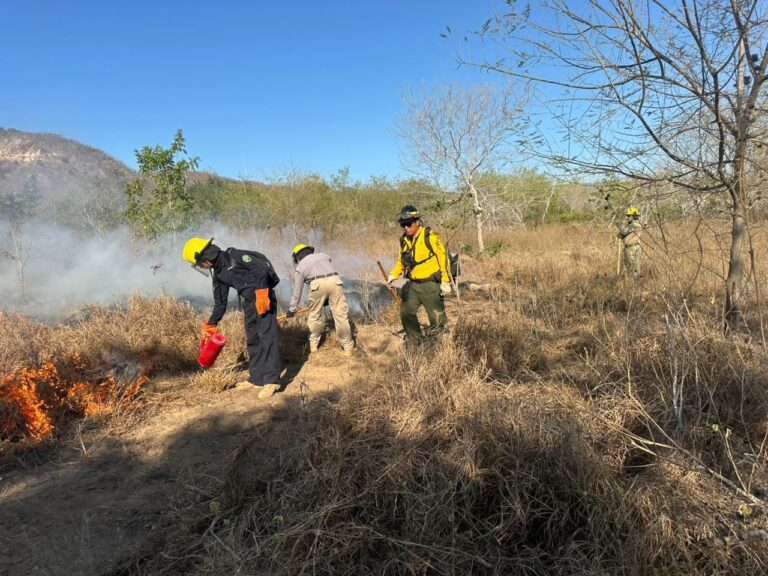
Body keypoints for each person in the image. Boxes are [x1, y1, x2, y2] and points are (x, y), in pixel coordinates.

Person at [182, 237, 282, 399]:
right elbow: (220, 303)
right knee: (253, 338)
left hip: (264, 298)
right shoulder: (219, 275)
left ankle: (272, 380)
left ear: (205, 256)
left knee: (267, 337)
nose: (201, 266)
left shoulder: (234, 256)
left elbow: (261, 268)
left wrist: (263, 293)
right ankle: (257, 378)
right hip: (249, 303)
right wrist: (211, 323)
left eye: (199, 263)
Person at [387, 205, 452, 343]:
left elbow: (443, 258)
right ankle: (415, 341)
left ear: (417, 222)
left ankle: (438, 344)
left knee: (436, 317)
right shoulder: (404, 240)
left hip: (430, 284)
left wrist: (445, 281)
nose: (406, 227)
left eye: (409, 223)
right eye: (403, 224)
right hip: (414, 285)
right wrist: (393, 274)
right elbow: (401, 261)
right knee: (406, 312)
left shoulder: (430, 236)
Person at [287, 244, 355, 356]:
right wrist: (327, 296)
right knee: (340, 315)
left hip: (317, 285)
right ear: (309, 251)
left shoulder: (300, 267)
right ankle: (348, 348)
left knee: (314, 315)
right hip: (335, 281)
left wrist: (292, 309)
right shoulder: (324, 256)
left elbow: (297, 291)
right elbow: (326, 270)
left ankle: (313, 346)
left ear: (297, 256)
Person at [617, 206, 642, 278]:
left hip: (633, 249)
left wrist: (619, 224)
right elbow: (623, 234)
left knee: (634, 269)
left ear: (633, 216)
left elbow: (624, 232)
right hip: (628, 248)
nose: (627, 217)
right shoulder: (630, 225)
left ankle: (635, 286)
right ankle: (627, 285)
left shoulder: (635, 225)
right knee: (626, 269)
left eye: (628, 216)